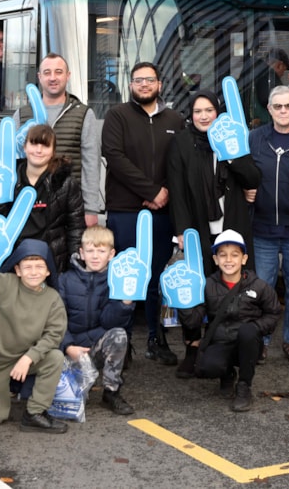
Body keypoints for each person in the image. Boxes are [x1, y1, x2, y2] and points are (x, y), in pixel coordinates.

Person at [167, 90, 261, 377]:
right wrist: (182, 230)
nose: (204, 116)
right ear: (190, 116)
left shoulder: (232, 137)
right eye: (198, 111)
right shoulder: (181, 143)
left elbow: (253, 178)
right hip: (197, 228)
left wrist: (231, 156)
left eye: (209, 110)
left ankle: (227, 348)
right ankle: (193, 348)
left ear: (218, 113)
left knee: (232, 291)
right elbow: (177, 190)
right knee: (195, 291)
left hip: (231, 228)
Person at [101, 62, 185, 365]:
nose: (144, 85)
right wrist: (150, 192)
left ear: (160, 84)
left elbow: (180, 162)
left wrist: (164, 192)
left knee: (153, 278)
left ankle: (155, 338)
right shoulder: (117, 116)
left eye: (150, 80)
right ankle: (120, 344)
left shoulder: (175, 119)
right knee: (124, 276)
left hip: (162, 212)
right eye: (139, 80)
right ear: (131, 84)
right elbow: (115, 157)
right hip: (125, 210)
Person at [178, 230, 281, 412]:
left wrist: (256, 328)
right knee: (206, 368)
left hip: (248, 344)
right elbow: (194, 320)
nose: (228, 260)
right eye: (223, 255)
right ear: (216, 259)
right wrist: (183, 303)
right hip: (221, 342)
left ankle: (244, 386)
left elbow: (273, 313)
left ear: (244, 259)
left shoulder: (259, 286)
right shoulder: (207, 285)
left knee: (247, 332)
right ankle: (227, 373)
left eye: (235, 255)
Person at [247, 85, 289, 365]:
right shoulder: (255, 138)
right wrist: (244, 190)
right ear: (270, 109)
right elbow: (242, 171)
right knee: (263, 289)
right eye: (278, 107)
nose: (283, 111)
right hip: (262, 227)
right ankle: (261, 341)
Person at [0, 239, 68, 433]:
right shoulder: (6, 284)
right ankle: (3, 391)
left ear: (48, 271)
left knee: (55, 357)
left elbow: (54, 334)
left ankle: (35, 412)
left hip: (25, 356)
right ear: (17, 270)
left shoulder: (52, 298)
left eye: (40, 266)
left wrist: (29, 357)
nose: (33, 272)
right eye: (28, 266)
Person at [57, 226, 137, 416]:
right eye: (90, 251)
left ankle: (111, 392)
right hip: (68, 351)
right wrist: (68, 346)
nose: (95, 256)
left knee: (119, 334)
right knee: (68, 407)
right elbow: (56, 320)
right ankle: (68, 382)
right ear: (81, 253)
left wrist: (125, 303)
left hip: (96, 347)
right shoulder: (65, 280)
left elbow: (111, 322)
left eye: (101, 251)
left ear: (111, 254)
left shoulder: (116, 280)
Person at [16, 53, 102, 225]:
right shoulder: (22, 114)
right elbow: (14, 161)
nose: (53, 78)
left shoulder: (83, 113)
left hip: (71, 206)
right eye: (47, 73)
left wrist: (91, 209)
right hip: (31, 206)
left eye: (58, 72)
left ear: (68, 76)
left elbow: (91, 164)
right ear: (39, 77)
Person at [0, 124, 86, 273]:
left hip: (50, 256)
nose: (38, 150)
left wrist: (75, 258)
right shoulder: (7, 178)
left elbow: (76, 226)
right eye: (34, 144)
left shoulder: (66, 183)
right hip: (14, 256)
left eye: (45, 146)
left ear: (53, 151)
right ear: (25, 147)